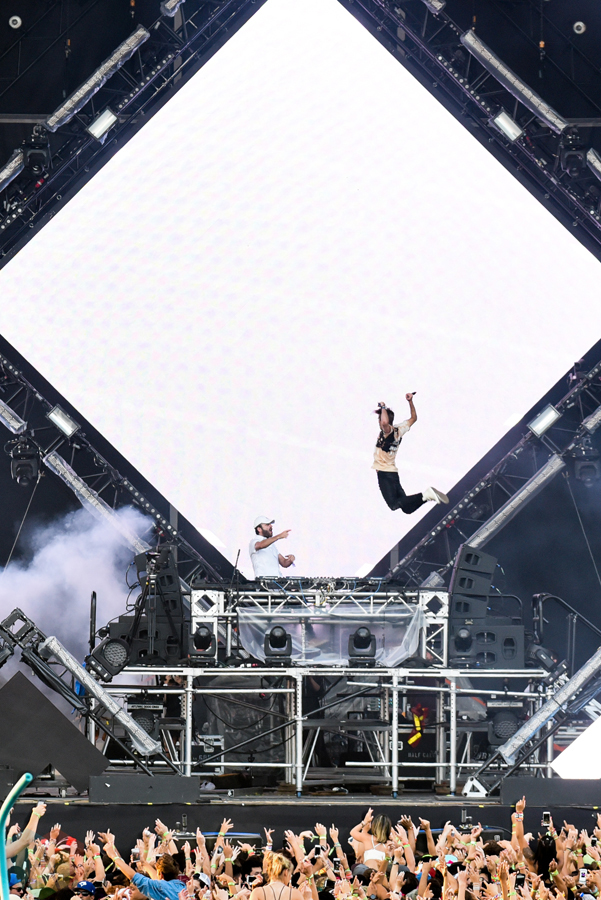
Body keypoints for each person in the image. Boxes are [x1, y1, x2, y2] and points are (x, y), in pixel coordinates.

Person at [373, 394, 449, 513]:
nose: (379, 422)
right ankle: (426, 497)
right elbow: (414, 418)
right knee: (407, 508)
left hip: (384, 473)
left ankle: (426, 494)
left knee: (393, 505)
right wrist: (410, 401)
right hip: (392, 473)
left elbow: (384, 422)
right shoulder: (399, 429)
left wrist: (383, 406)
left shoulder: (387, 431)